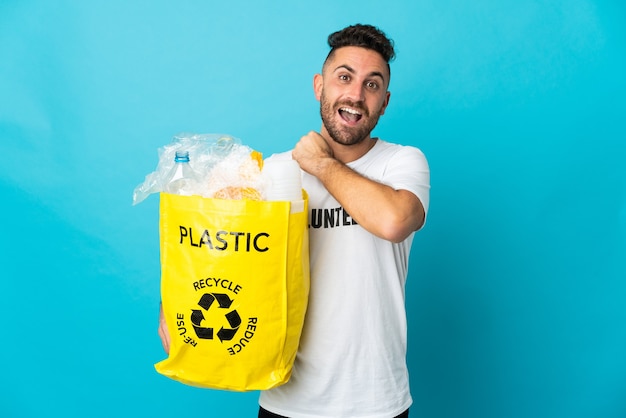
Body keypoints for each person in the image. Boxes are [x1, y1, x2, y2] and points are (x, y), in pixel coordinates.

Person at [159, 24, 430, 418]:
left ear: (384, 102)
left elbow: (393, 222)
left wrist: (320, 164)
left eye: (372, 85)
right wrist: (177, 301)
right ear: (319, 86)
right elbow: (223, 256)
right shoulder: (273, 174)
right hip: (288, 399)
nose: (355, 95)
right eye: (344, 78)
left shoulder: (402, 163)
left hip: (376, 401)